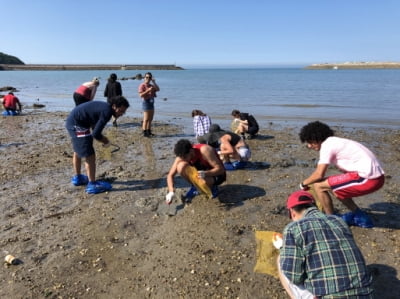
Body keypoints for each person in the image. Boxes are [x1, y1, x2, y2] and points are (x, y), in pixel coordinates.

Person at [275, 190, 373, 299]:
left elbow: (294, 276)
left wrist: (282, 248)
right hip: (365, 294)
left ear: (292, 213)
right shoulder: (339, 221)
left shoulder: (293, 228)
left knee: (281, 260)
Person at [299, 121, 385, 228]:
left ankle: (330, 221)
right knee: (332, 186)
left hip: (368, 179)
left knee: (319, 185)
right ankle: (360, 217)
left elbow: (319, 174)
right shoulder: (337, 142)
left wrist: (303, 184)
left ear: (317, 138)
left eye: (310, 142)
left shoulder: (327, 145)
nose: (309, 145)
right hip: (376, 177)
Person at [66, 96, 130, 194]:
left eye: (124, 112)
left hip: (73, 122)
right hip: (78, 125)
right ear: (114, 106)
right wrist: (106, 141)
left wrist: (101, 137)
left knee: (77, 150)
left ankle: (78, 178)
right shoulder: (107, 112)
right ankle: (92, 184)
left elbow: (93, 121)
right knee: (90, 154)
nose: (122, 114)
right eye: (121, 111)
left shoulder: (104, 107)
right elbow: (95, 134)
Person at [166, 139, 226, 204]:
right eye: (182, 157)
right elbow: (170, 175)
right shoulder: (182, 156)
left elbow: (221, 170)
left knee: (203, 180)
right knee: (180, 166)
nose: (184, 159)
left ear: (191, 151)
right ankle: (196, 187)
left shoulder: (204, 150)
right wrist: (171, 192)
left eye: (185, 157)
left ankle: (212, 188)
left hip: (216, 175)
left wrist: (206, 173)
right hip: (201, 173)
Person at [138, 72, 160, 137]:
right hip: (146, 103)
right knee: (146, 119)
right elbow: (141, 95)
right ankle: (144, 132)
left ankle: (149, 131)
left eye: (149, 77)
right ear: (144, 78)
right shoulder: (142, 85)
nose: (148, 79)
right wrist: (148, 90)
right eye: (147, 77)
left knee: (150, 119)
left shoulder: (151, 85)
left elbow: (158, 89)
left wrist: (154, 82)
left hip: (151, 103)